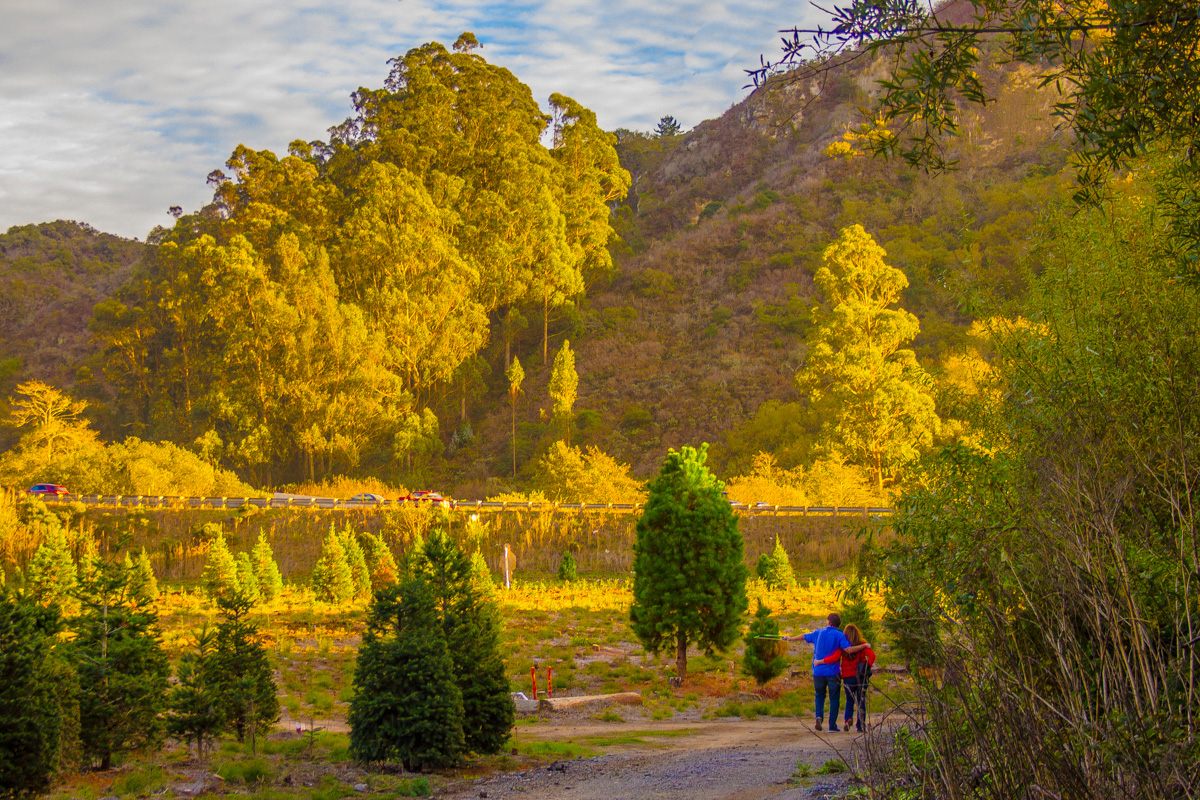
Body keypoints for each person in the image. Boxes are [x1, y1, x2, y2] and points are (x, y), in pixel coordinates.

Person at [783, 612, 869, 732]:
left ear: (829, 622)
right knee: (834, 698)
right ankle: (832, 726)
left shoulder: (818, 632)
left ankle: (819, 716)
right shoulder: (839, 635)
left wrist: (790, 638)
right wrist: (863, 646)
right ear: (838, 624)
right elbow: (849, 649)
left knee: (819, 695)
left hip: (818, 671)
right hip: (833, 672)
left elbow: (803, 636)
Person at [819, 622, 876, 732]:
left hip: (848, 677)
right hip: (861, 677)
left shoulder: (843, 647)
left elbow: (835, 657)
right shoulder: (862, 645)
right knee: (861, 701)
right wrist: (866, 667)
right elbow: (872, 656)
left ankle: (848, 719)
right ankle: (861, 725)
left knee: (849, 700)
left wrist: (821, 661)